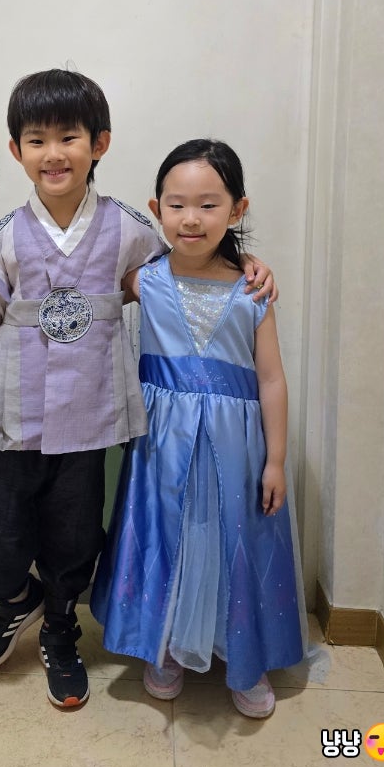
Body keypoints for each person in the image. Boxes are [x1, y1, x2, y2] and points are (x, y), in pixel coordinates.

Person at [0, 70, 277, 710]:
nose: (54, 153)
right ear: (16, 150)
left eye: (69, 137)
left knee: (73, 538)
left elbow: (188, 263)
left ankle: (60, 628)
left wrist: (247, 266)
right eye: (37, 140)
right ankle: (16, 598)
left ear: (98, 143)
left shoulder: (128, 229)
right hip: (5, 411)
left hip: (87, 417)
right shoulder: (5, 235)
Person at [90, 138, 307, 718]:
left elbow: (271, 379)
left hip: (236, 448)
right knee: (169, 537)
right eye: (177, 204)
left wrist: (276, 460)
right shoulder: (143, 280)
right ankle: (164, 646)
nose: (191, 218)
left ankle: (244, 657)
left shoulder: (252, 289)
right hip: (160, 446)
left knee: (233, 540)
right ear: (156, 209)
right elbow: (80, 289)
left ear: (237, 210)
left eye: (209, 205)